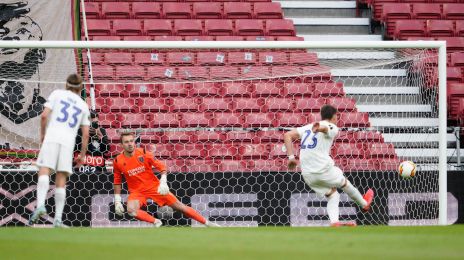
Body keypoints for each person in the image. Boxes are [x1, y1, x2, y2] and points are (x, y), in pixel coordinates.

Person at [283, 104, 374, 227]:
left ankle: (334, 222)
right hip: (322, 169)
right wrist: (319, 128)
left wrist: (291, 158)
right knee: (344, 183)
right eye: (337, 115)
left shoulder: (307, 127)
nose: (337, 118)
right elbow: (326, 128)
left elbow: (287, 135)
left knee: (333, 194)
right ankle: (364, 204)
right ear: (333, 116)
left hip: (307, 174)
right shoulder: (332, 126)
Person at [113, 132, 219, 227]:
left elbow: (162, 167)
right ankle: (156, 221)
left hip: (154, 187)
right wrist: (117, 200)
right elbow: (117, 181)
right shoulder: (118, 161)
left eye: (131, 141)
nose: (130, 144)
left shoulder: (144, 153)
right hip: (137, 191)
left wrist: (163, 181)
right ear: (121, 145)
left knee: (180, 207)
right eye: (126, 142)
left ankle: (207, 223)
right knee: (131, 210)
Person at [29, 74, 90, 227]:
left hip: (52, 137)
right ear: (81, 87)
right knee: (61, 179)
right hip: (68, 143)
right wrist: (82, 155)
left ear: (66, 85)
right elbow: (86, 133)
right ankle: (57, 219)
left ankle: (41, 205)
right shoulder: (83, 105)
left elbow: (44, 116)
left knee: (45, 171)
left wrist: (43, 135)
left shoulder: (57, 94)